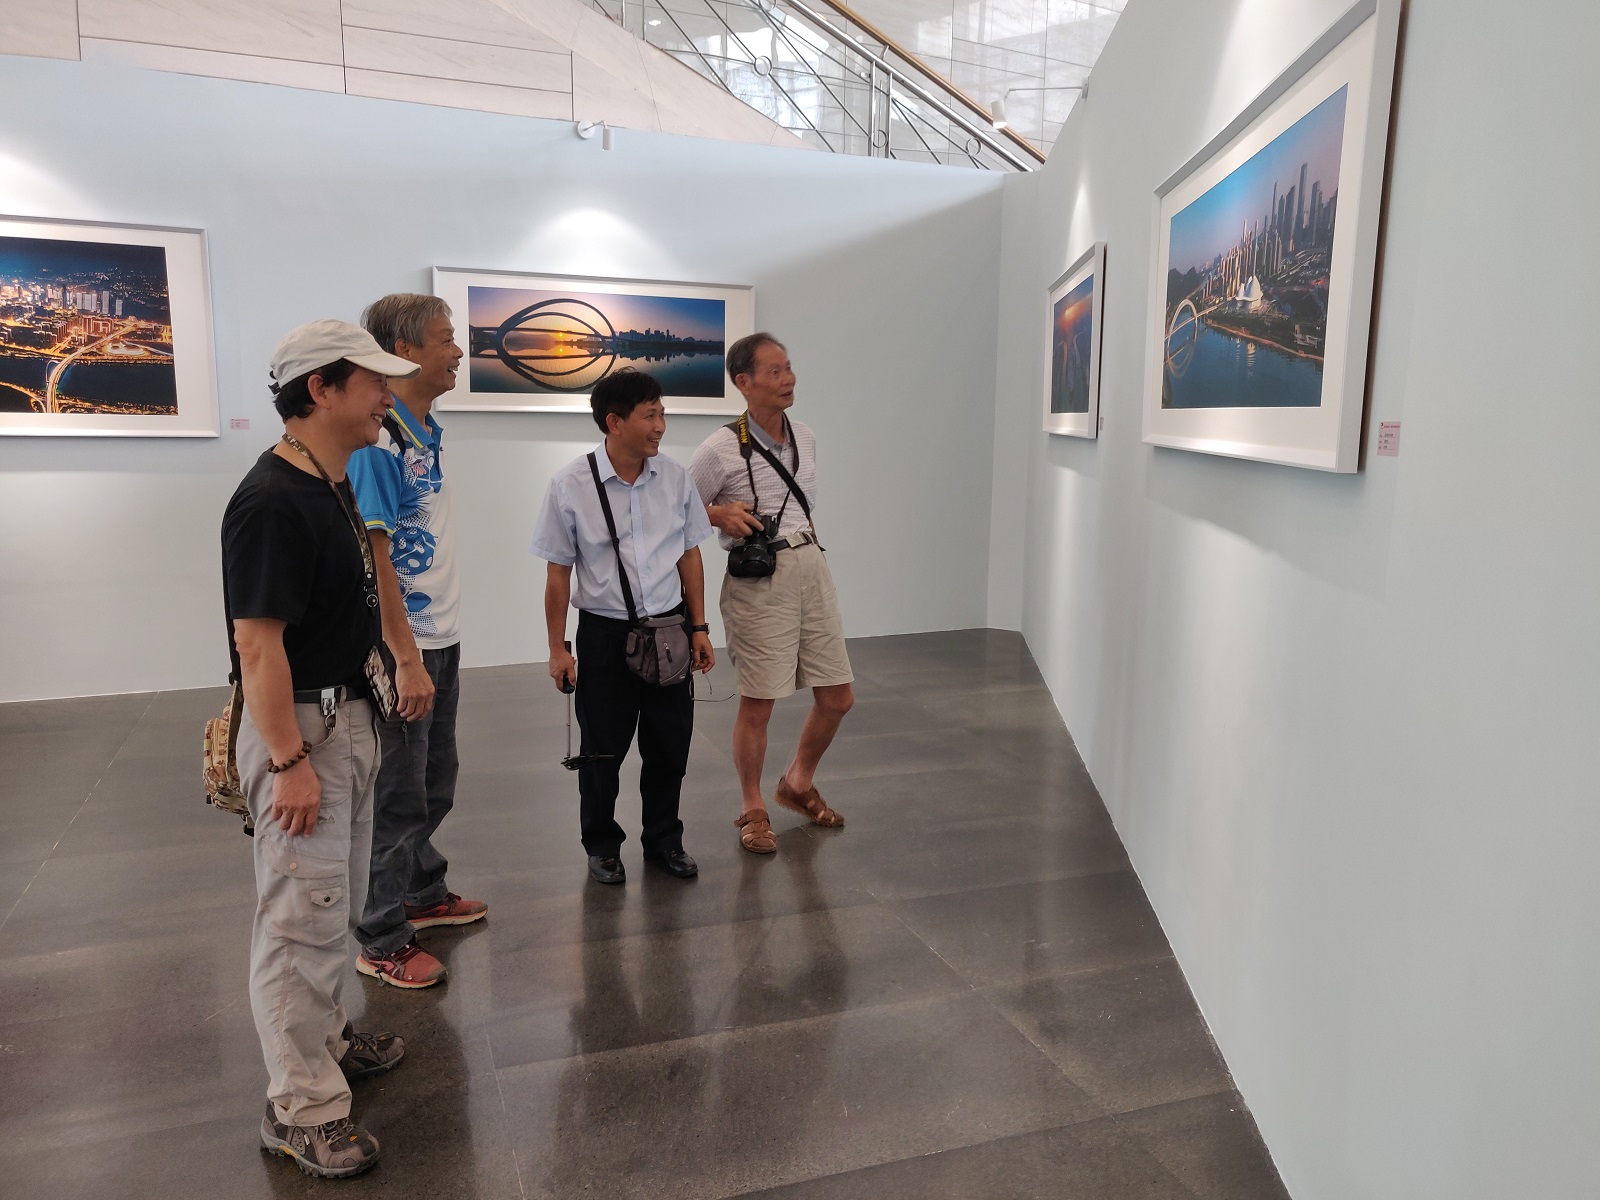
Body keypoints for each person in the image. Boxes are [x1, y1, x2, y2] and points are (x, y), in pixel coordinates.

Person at [221, 319, 421, 1178]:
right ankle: (300, 1108)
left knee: (329, 902)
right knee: (299, 922)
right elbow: (257, 645)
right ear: (321, 390)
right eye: (373, 382)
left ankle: (327, 1040)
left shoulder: (330, 481)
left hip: (345, 721)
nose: (387, 397)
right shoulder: (272, 500)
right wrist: (288, 761)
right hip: (301, 734)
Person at [346, 293, 486, 991]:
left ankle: (420, 889)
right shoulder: (380, 444)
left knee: (435, 782)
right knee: (402, 794)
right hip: (407, 647)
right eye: (445, 338)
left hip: (441, 638)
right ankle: (380, 935)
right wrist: (404, 658)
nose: (457, 350)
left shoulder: (423, 430)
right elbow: (375, 562)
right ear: (403, 351)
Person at [530, 368, 716, 884]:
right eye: (650, 415)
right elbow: (558, 573)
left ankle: (664, 840)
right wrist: (557, 648)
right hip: (605, 636)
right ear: (614, 422)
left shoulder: (675, 477)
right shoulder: (570, 484)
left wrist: (700, 627)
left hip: (671, 630)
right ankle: (602, 845)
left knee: (669, 745)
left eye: (662, 414)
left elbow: (690, 554)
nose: (661, 426)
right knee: (601, 751)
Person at [688, 333, 854, 855]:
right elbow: (675, 510)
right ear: (744, 381)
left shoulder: (804, 435)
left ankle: (797, 783)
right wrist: (717, 514)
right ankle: (752, 806)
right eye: (775, 371)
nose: (789, 379)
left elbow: (801, 506)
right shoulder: (719, 448)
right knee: (759, 703)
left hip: (811, 567)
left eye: (789, 368)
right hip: (759, 580)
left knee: (839, 697)